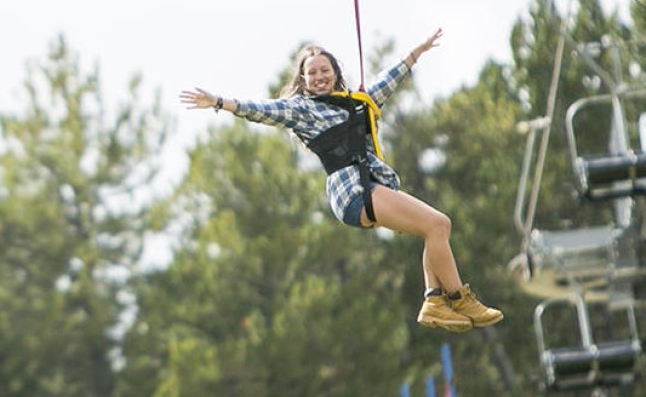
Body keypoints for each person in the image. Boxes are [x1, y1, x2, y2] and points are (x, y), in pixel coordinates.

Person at [179, 29, 502, 333]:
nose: (320, 76)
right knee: (438, 224)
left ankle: (434, 300)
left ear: (335, 72)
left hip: (373, 187)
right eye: (313, 73)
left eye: (325, 70)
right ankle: (460, 299)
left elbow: (389, 80)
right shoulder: (302, 109)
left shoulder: (358, 102)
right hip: (354, 192)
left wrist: (416, 52)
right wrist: (220, 102)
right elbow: (263, 110)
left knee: (432, 231)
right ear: (304, 81)